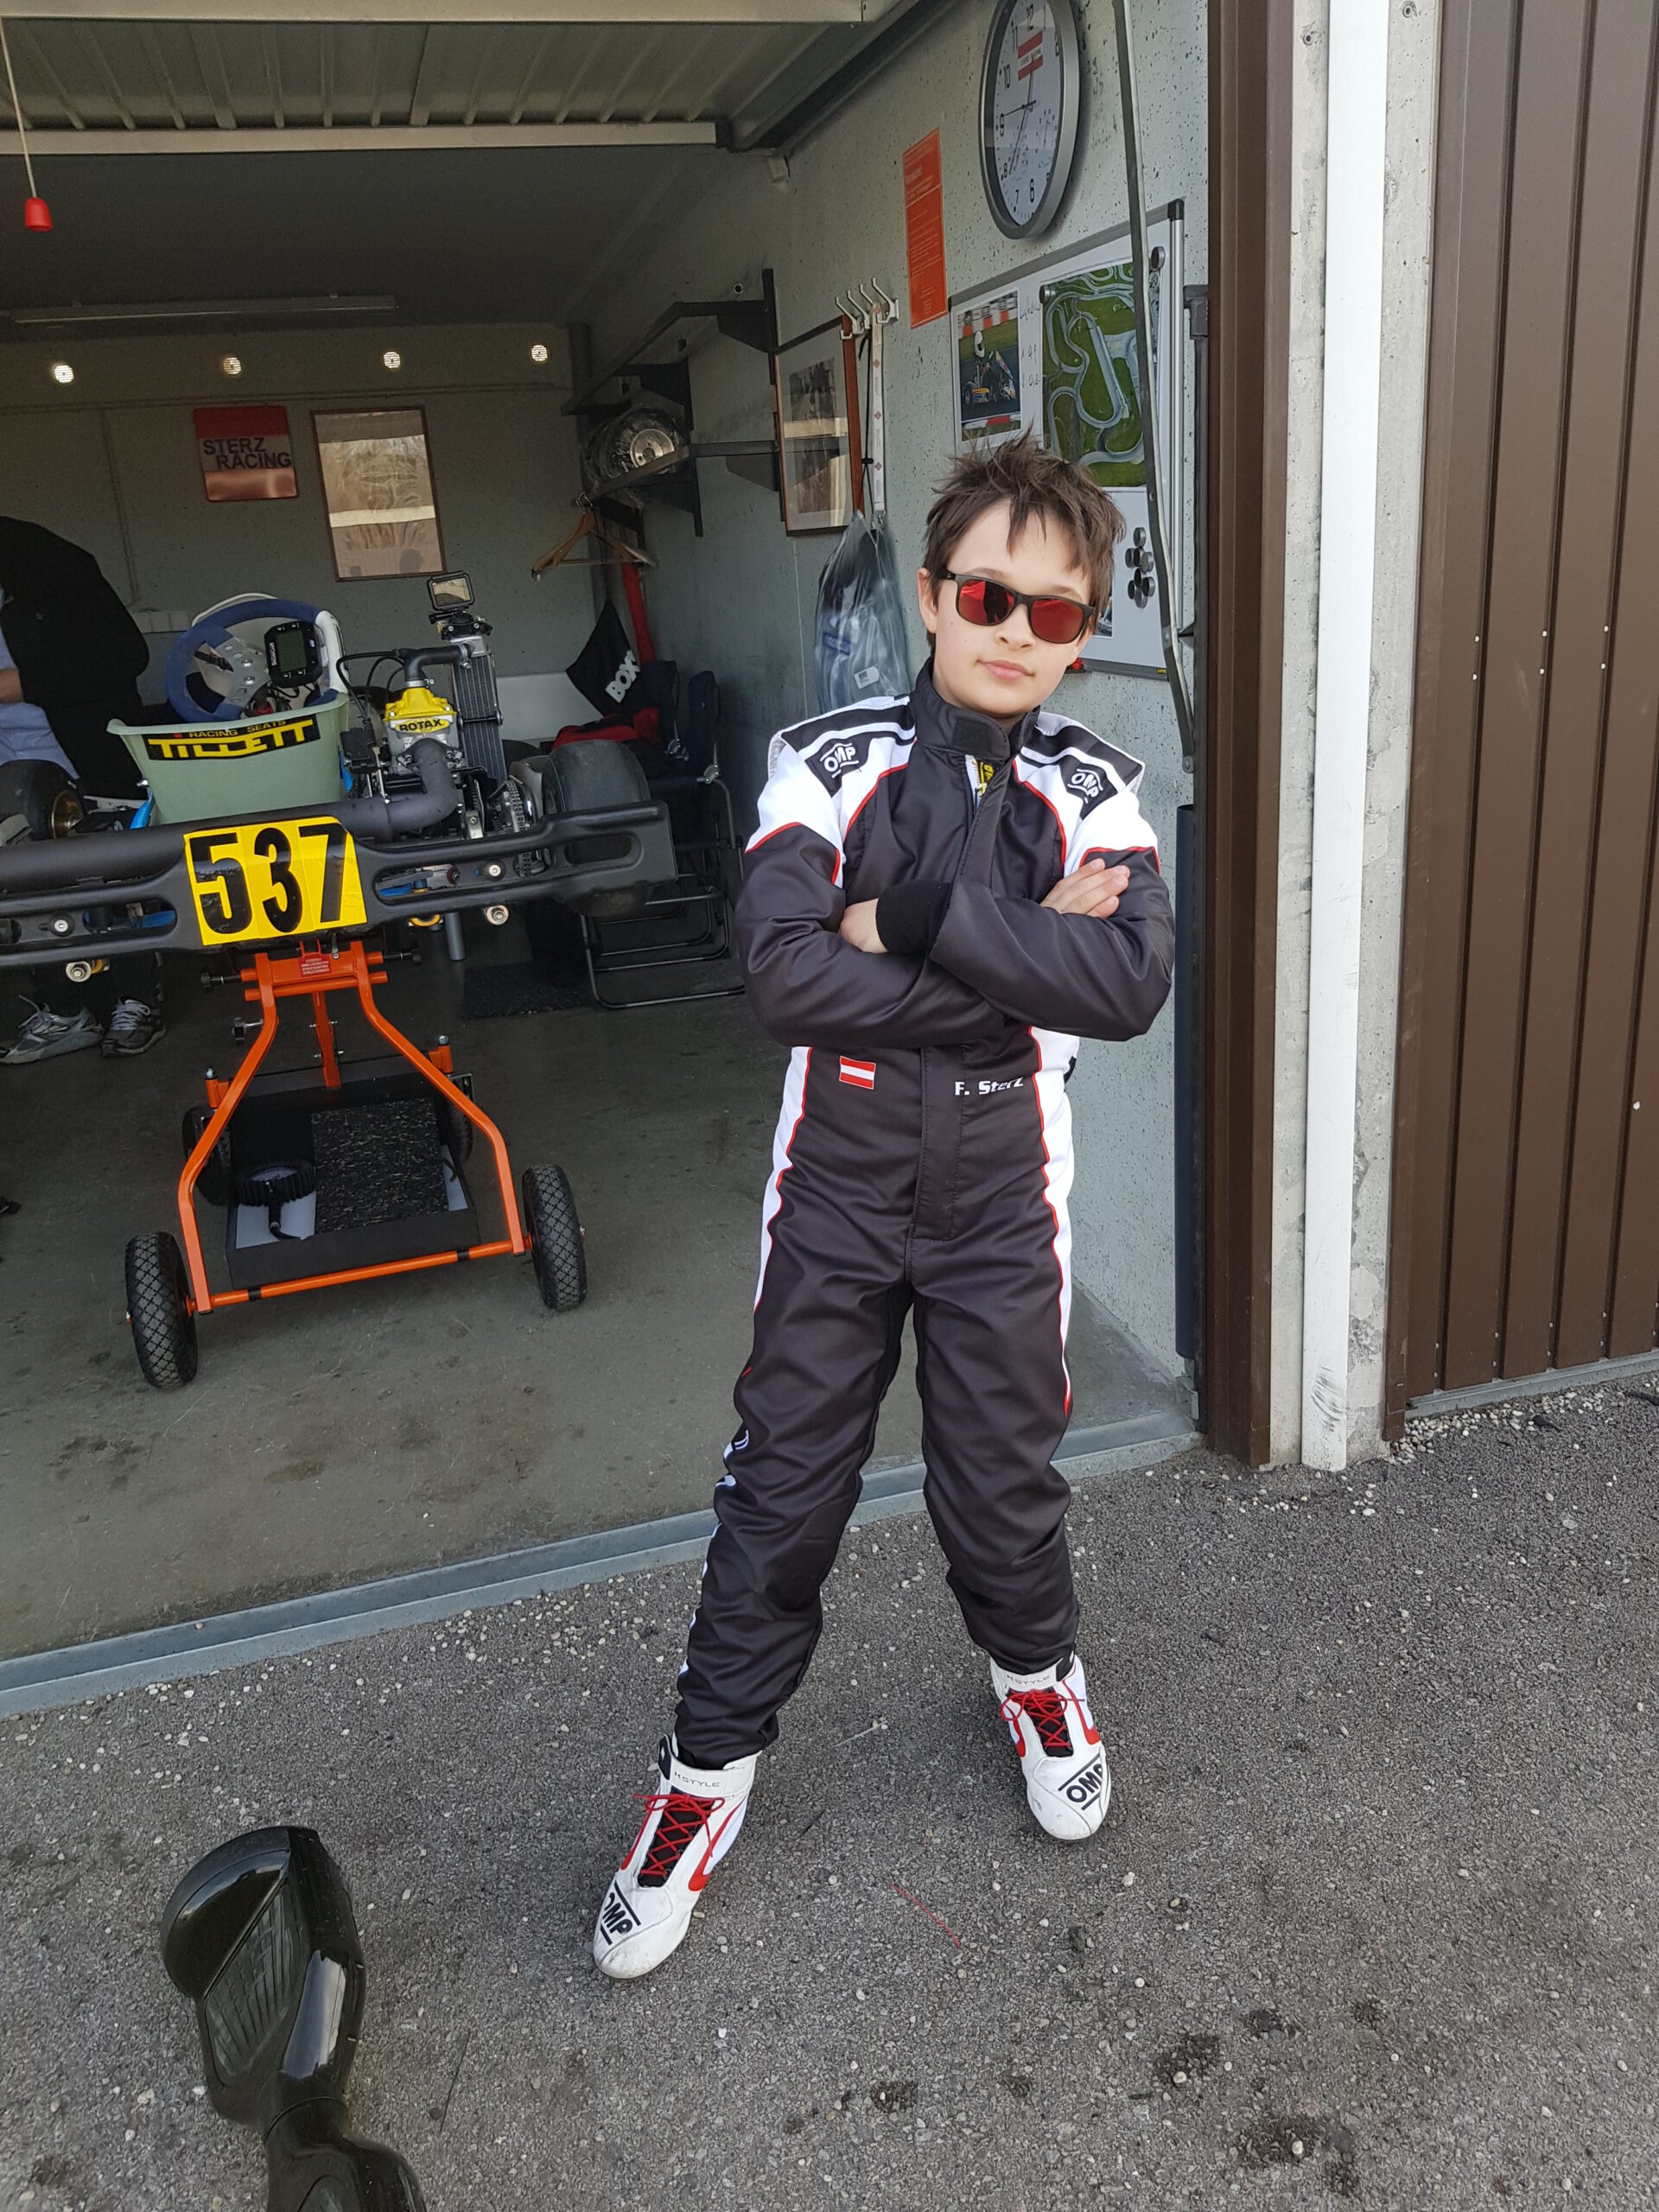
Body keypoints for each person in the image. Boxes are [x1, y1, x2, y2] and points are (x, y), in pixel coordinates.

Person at [592, 434, 1176, 1980]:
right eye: (987, 596)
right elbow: (785, 976)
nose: (1016, 633)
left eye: (1056, 613)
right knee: (783, 1495)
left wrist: (908, 916)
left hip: (1004, 1200)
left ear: (1081, 635)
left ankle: (1039, 1681)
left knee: (1002, 1489)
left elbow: (1129, 980)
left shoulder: (1095, 789)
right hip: (838, 1192)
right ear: (930, 595)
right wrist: (1013, 964)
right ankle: (703, 1774)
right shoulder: (827, 758)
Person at [0, 516, 164, 1061]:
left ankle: (136, 1001)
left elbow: (124, 655)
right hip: (9, 771)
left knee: (112, 877)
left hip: (84, 754)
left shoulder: (42, 559)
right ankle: (66, 1011)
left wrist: (21, 684)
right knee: (26, 891)